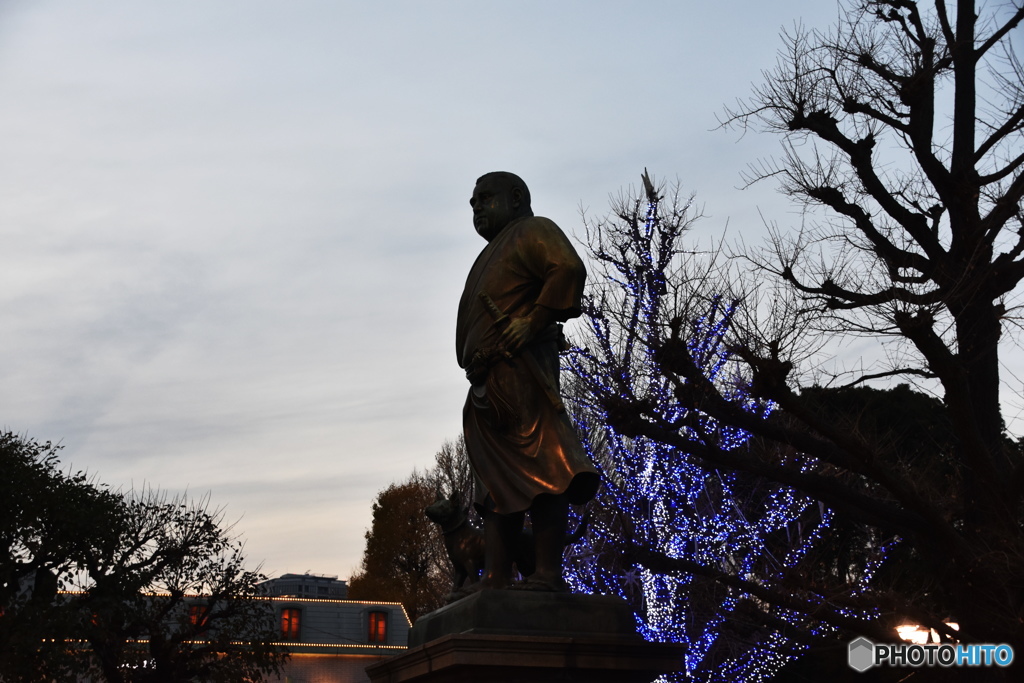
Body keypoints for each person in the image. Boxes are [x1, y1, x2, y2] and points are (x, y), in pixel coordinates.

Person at [456, 171, 599, 591]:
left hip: (522, 372)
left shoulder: (532, 230)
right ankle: (497, 572)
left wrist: (533, 321)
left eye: (484, 198)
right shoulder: (493, 252)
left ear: (515, 198)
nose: (475, 207)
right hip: (487, 382)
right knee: (495, 484)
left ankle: (548, 573)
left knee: (543, 468)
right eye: (472, 202)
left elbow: (568, 269)